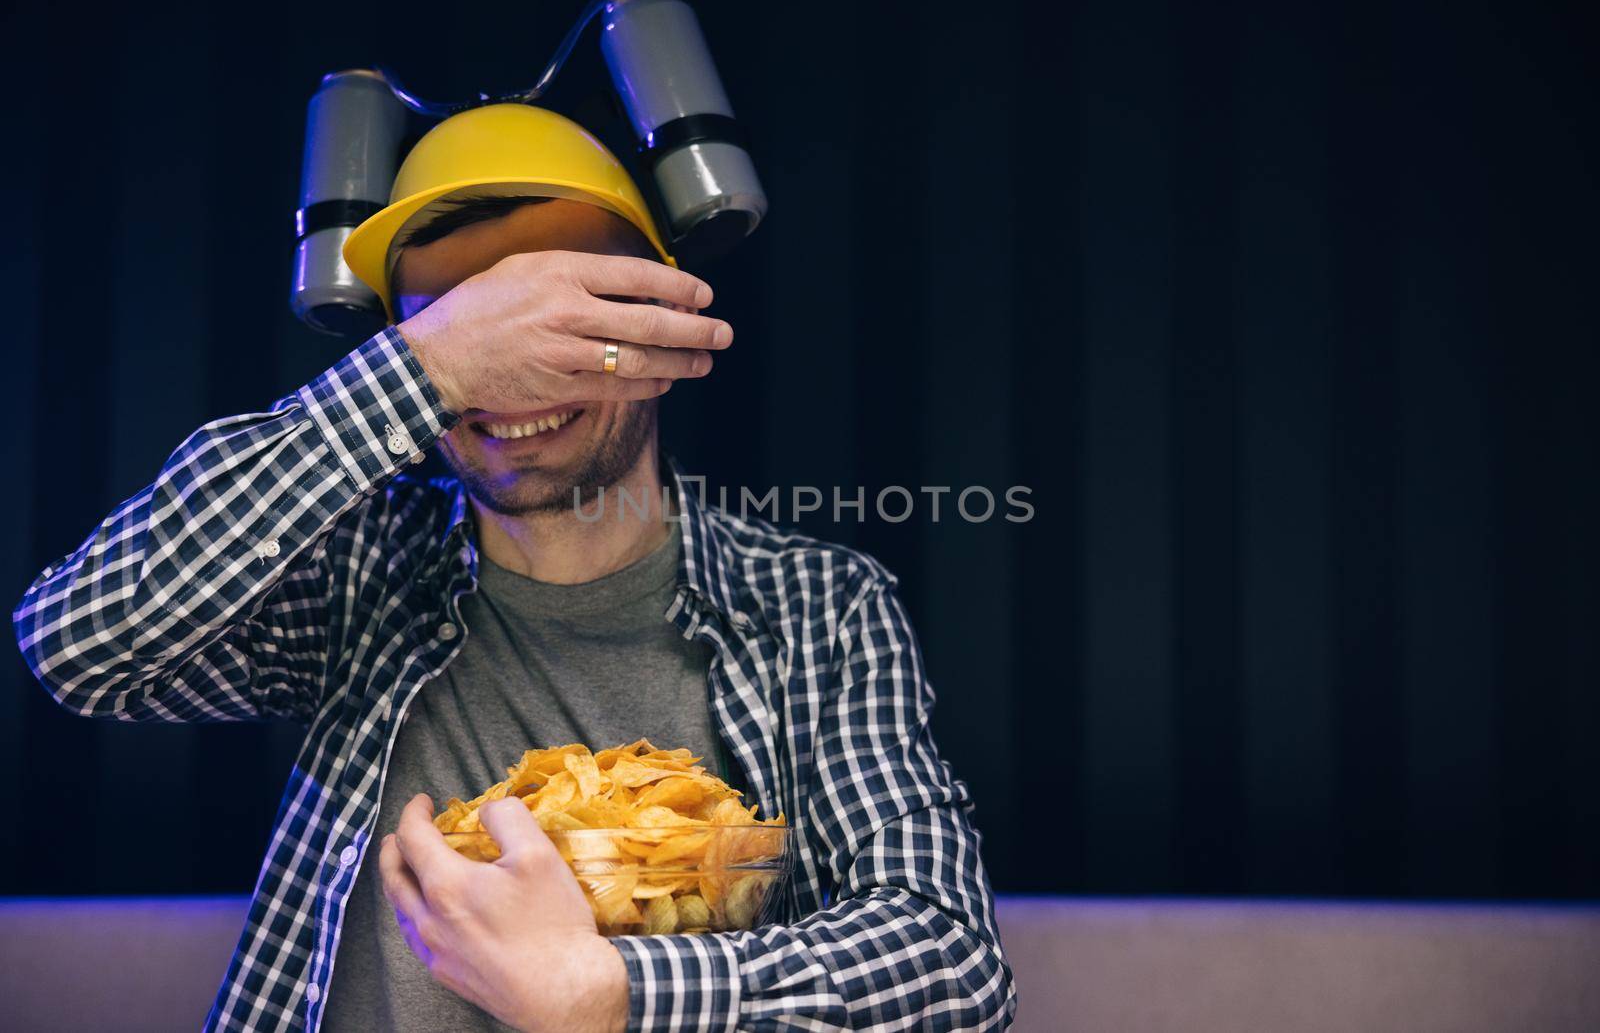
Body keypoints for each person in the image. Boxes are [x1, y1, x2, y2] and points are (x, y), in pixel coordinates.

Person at [13, 105, 1016, 1033]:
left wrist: (609, 990)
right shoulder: (359, 569)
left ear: (654, 325)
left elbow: (954, 968)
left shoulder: (814, 608)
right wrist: (427, 370)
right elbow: (79, 641)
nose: (511, 379)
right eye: (466, 329)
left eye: (561, 323)